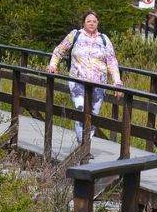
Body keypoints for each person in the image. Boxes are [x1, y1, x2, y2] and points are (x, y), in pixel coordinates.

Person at [47, 11, 123, 149]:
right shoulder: (75, 35)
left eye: (94, 21)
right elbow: (59, 51)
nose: (92, 23)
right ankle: (82, 145)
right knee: (81, 110)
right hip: (78, 82)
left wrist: (117, 82)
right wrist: (53, 65)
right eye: (89, 21)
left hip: (99, 84)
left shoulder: (104, 39)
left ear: (98, 23)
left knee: (93, 115)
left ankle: (85, 145)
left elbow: (112, 61)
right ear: (84, 23)